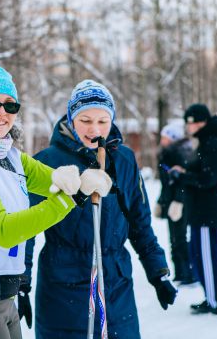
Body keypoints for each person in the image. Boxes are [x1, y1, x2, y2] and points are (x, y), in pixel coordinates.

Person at [0, 66, 111, 339]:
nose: (2, 113)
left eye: (10, 105)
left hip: (4, 298)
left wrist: (82, 180)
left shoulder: (12, 156)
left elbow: (54, 181)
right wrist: (72, 199)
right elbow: (4, 231)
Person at [23, 79, 176, 338]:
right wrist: (20, 282)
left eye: (102, 121)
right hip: (63, 286)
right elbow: (25, 228)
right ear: (71, 119)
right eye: (85, 120)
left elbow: (139, 222)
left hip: (115, 284)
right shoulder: (48, 162)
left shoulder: (124, 159)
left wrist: (157, 271)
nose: (94, 129)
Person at [169, 103, 217, 317]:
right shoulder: (208, 140)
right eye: (187, 122)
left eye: (192, 122)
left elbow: (208, 178)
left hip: (208, 211)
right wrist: (185, 171)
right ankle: (211, 297)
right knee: (198, 255)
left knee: (206, 257)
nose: (190, 126)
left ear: (202, 122)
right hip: (201, 210)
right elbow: (203, 172)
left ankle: (215, 302)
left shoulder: (214, 142)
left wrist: (182, 176)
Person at [154, 122, 196, 285]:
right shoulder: (166, 154)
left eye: (165, 137)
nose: (162, 140)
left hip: (180, 203)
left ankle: (187, 273)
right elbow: (167, 183)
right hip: (170, 200)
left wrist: (179, 201)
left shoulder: (180, 154)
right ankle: (180, 272)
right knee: (174, 238)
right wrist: (161, 201)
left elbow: (182, 182)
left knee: (179, 238)